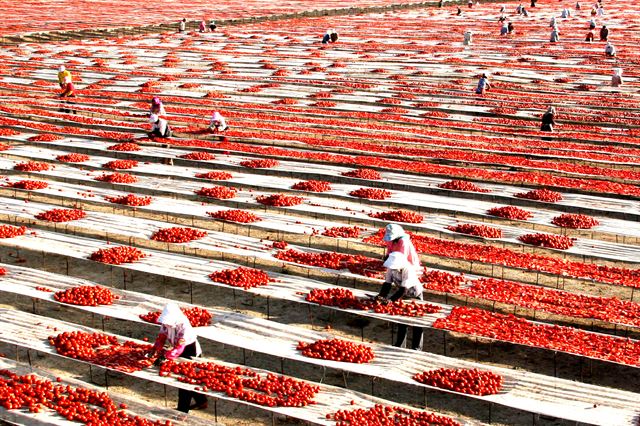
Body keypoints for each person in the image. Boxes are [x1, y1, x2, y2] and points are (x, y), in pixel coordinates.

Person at [149, 304, 207, 412]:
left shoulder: (184, 327)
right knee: (189, 380)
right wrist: (155, 349)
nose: (165, 324)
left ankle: (182, 411)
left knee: (184, 383)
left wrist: (165, 356)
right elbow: (161, 337)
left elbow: (180, 347)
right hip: (178, 352)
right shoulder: (166, 324)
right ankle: (201, 401)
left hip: (190, 352)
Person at [375, 252, 424, 350]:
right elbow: (387, 284)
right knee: (402, 320)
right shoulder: (391, 268)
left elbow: (403, 289)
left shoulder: (408, 269)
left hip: (415, 294)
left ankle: (417, 347)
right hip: (403, 296)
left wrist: (391, 300)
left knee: (417, 321)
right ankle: (400, 345)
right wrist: (381, 296)